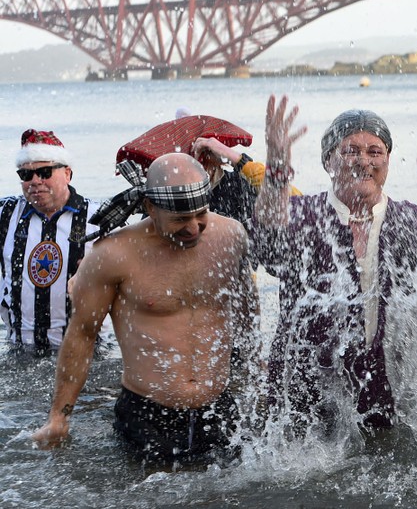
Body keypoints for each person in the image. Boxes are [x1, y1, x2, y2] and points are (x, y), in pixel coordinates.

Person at [253, 95, 417, 436]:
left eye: (374, 152)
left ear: (387, 161)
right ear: (328, 161)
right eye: (350, 150)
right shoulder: (304, 215)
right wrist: (276, 167)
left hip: (385, 386)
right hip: (306, 393)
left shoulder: (408, 220)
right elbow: (268, 244)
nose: (363, 161)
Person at [32, 153, 259, 463]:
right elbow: (82, 335)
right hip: (148, 415)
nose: (193, 228)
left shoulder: (231, 236)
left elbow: (248, 311)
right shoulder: (112, 255)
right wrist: (59, 417)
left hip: (218, 409)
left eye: (201, 214)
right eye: (180, 219)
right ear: (150, 208)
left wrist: (255, 372)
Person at [1, 129, 107, 356]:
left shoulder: (99, 218)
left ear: (67, 173)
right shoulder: (6, 214)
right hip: (20, 351)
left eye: (45, 172)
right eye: (26, 175)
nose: (35, 181)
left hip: (87, 351)